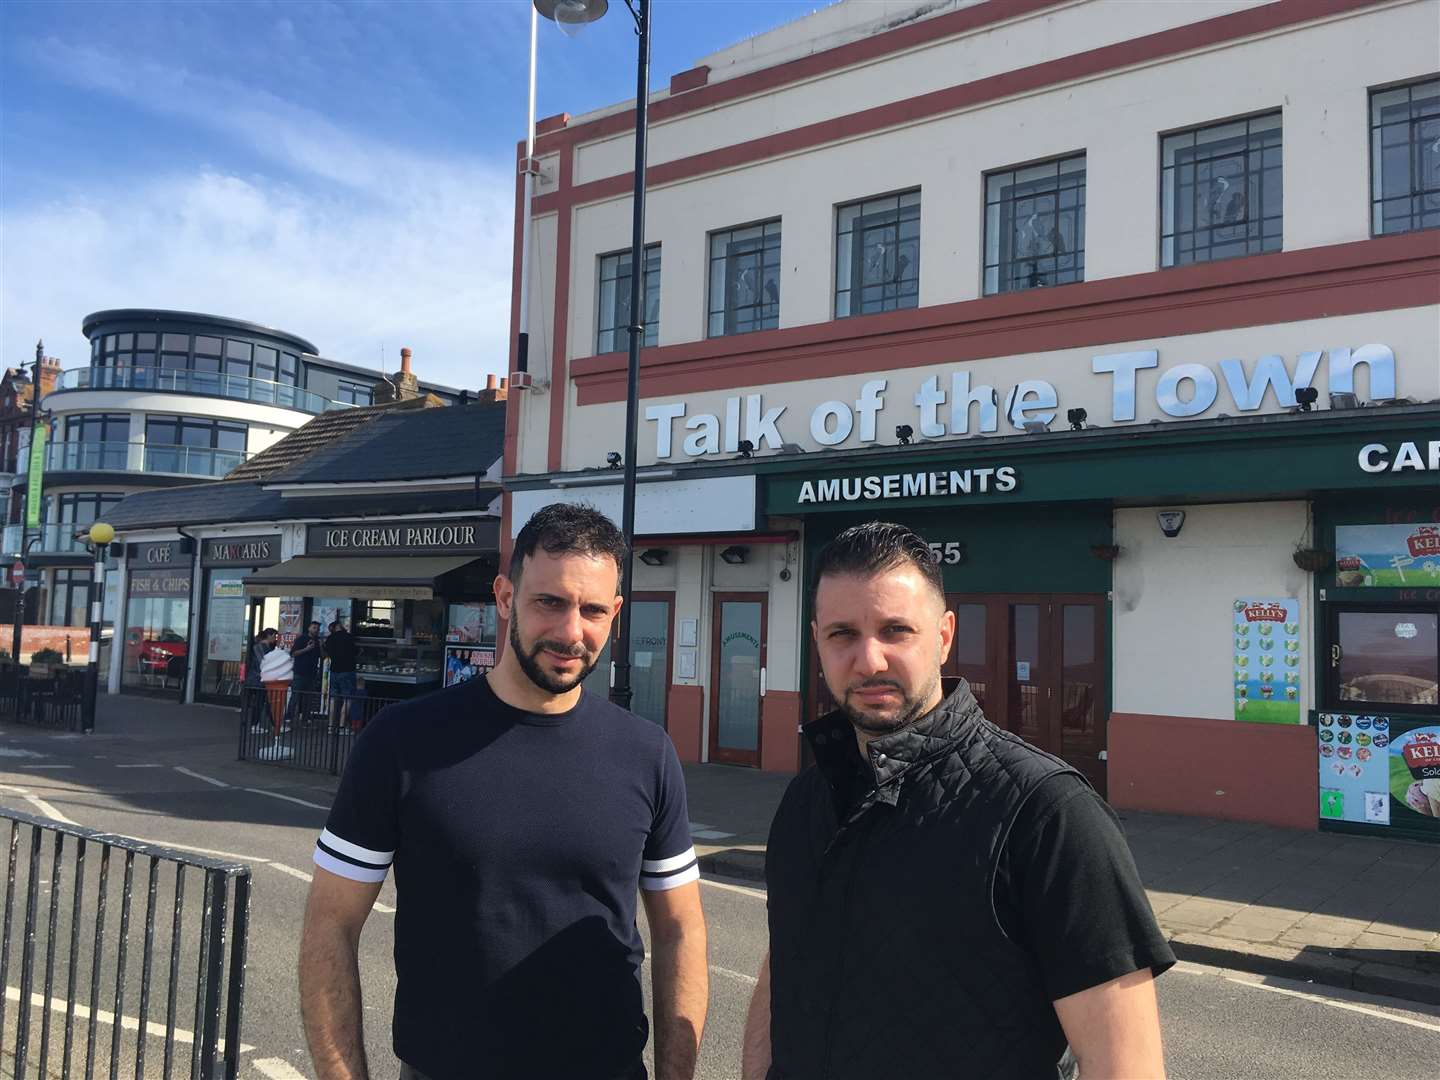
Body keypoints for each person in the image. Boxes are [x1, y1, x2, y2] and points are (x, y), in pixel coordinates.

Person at [741, 522, 1173, 1080]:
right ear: (817, 639)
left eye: (896, 630)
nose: (869, 660)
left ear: (944, 636)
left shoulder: (1048, 814)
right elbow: (786, 960)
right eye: (843, 634)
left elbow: (1125, 1067)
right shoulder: (809, 794)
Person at [299, 503, 708, 1080]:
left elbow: (680, 929)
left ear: (615, 614)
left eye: (592, 609)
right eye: (550, 602)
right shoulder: (400, 741)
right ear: (505, 596)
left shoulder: (647, 753)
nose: (571, 632)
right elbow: (329, 926)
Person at [323, 619, 357, 730]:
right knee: (347, 698)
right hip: (347, 670)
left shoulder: (330, 638)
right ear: (339, 626)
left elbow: (325, 651)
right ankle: (342, 726)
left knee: (333, 698)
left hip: (334, 670)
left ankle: (330, 725)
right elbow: (355, 651)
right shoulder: (348, 637)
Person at [287, 621, 323, 723]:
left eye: (318, 629)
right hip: (300, 672)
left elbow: (322, 656)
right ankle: (289, 716)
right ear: (309, 628)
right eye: (314, 628)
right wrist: (307, 649)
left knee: (308, 697)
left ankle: (305, 718)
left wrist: (320, 646)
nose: (316, 630)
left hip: (311, 673)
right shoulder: (301, 639)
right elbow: (293, 653)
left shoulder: (317, 641)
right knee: (295, 695)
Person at [245, 628, 278, 734]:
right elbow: (263, 662)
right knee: (261, 702)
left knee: (265, 702)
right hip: (259, 679)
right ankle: (256, 724)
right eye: (274, 636)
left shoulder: (262, 647)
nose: (275, 638)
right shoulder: (260, 647)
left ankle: (273, 724)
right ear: (269, 635)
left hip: (260, 678)